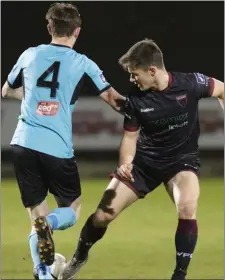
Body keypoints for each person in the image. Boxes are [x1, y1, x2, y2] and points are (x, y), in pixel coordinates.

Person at [60, 39, 224, 280]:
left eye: (134, 74)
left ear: (152, 70)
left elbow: (221, 89)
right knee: (102, 216)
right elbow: (129, 138)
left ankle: (179, 274)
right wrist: (126, 162)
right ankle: (78, 258)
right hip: (144, 164)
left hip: (181, 161)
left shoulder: (190, 84)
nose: (131, 80)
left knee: (188, 206)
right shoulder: (137, 100)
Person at [1, 3, 125, 280]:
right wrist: (145, 110)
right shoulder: (83, 62)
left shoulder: (29, 55)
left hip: (22, 143)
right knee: (71, 209)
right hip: (56, 146)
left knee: (35, 213)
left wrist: (35, 97)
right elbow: (113, 100)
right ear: (77, 32)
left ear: (49, 28)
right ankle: (51, 223)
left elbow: (6, 89)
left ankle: (44, 274)